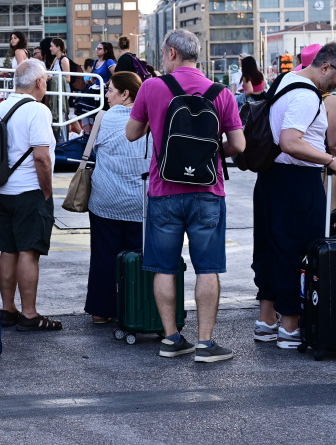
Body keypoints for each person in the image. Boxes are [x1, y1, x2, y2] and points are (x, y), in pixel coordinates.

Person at [125, 29, 245, 362]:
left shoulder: (152, 87)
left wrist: (155, 120)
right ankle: (206, 345)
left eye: (164, 54)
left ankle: (171, 339)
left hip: (164, 191)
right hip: (208, 191)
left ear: (172, 53)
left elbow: (132, 133)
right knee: (207, 269)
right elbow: (239, 145)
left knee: (164, 267)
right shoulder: (221, 93)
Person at [252, 43, 336, 349]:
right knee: (295, 250)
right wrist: (329, 160)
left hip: (271, 177)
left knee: (269, 248)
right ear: (326, 67)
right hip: (298, 181)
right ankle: (289, 326)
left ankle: (266, 321)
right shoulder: (306, 95)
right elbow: (290, 142)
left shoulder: (287, 81)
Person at [0, 60, 61, 331]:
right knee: (29, 251)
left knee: (8, 250)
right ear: (39, 82)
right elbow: (41, 157)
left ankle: (8, 309)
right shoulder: (37, 111)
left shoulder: (0, 107)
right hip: (27, 191)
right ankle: (29, 314)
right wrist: (47, 190)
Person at [84, 72, 147, 323]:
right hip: (139, 202)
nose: (106, 94)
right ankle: (137, 307)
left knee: (103, 255)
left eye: (110, 90)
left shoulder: (105, 118)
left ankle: (101, 311)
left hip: (105, 200)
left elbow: (93, 150)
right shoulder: (150, 120)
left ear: (125, 94)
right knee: (139, 258)